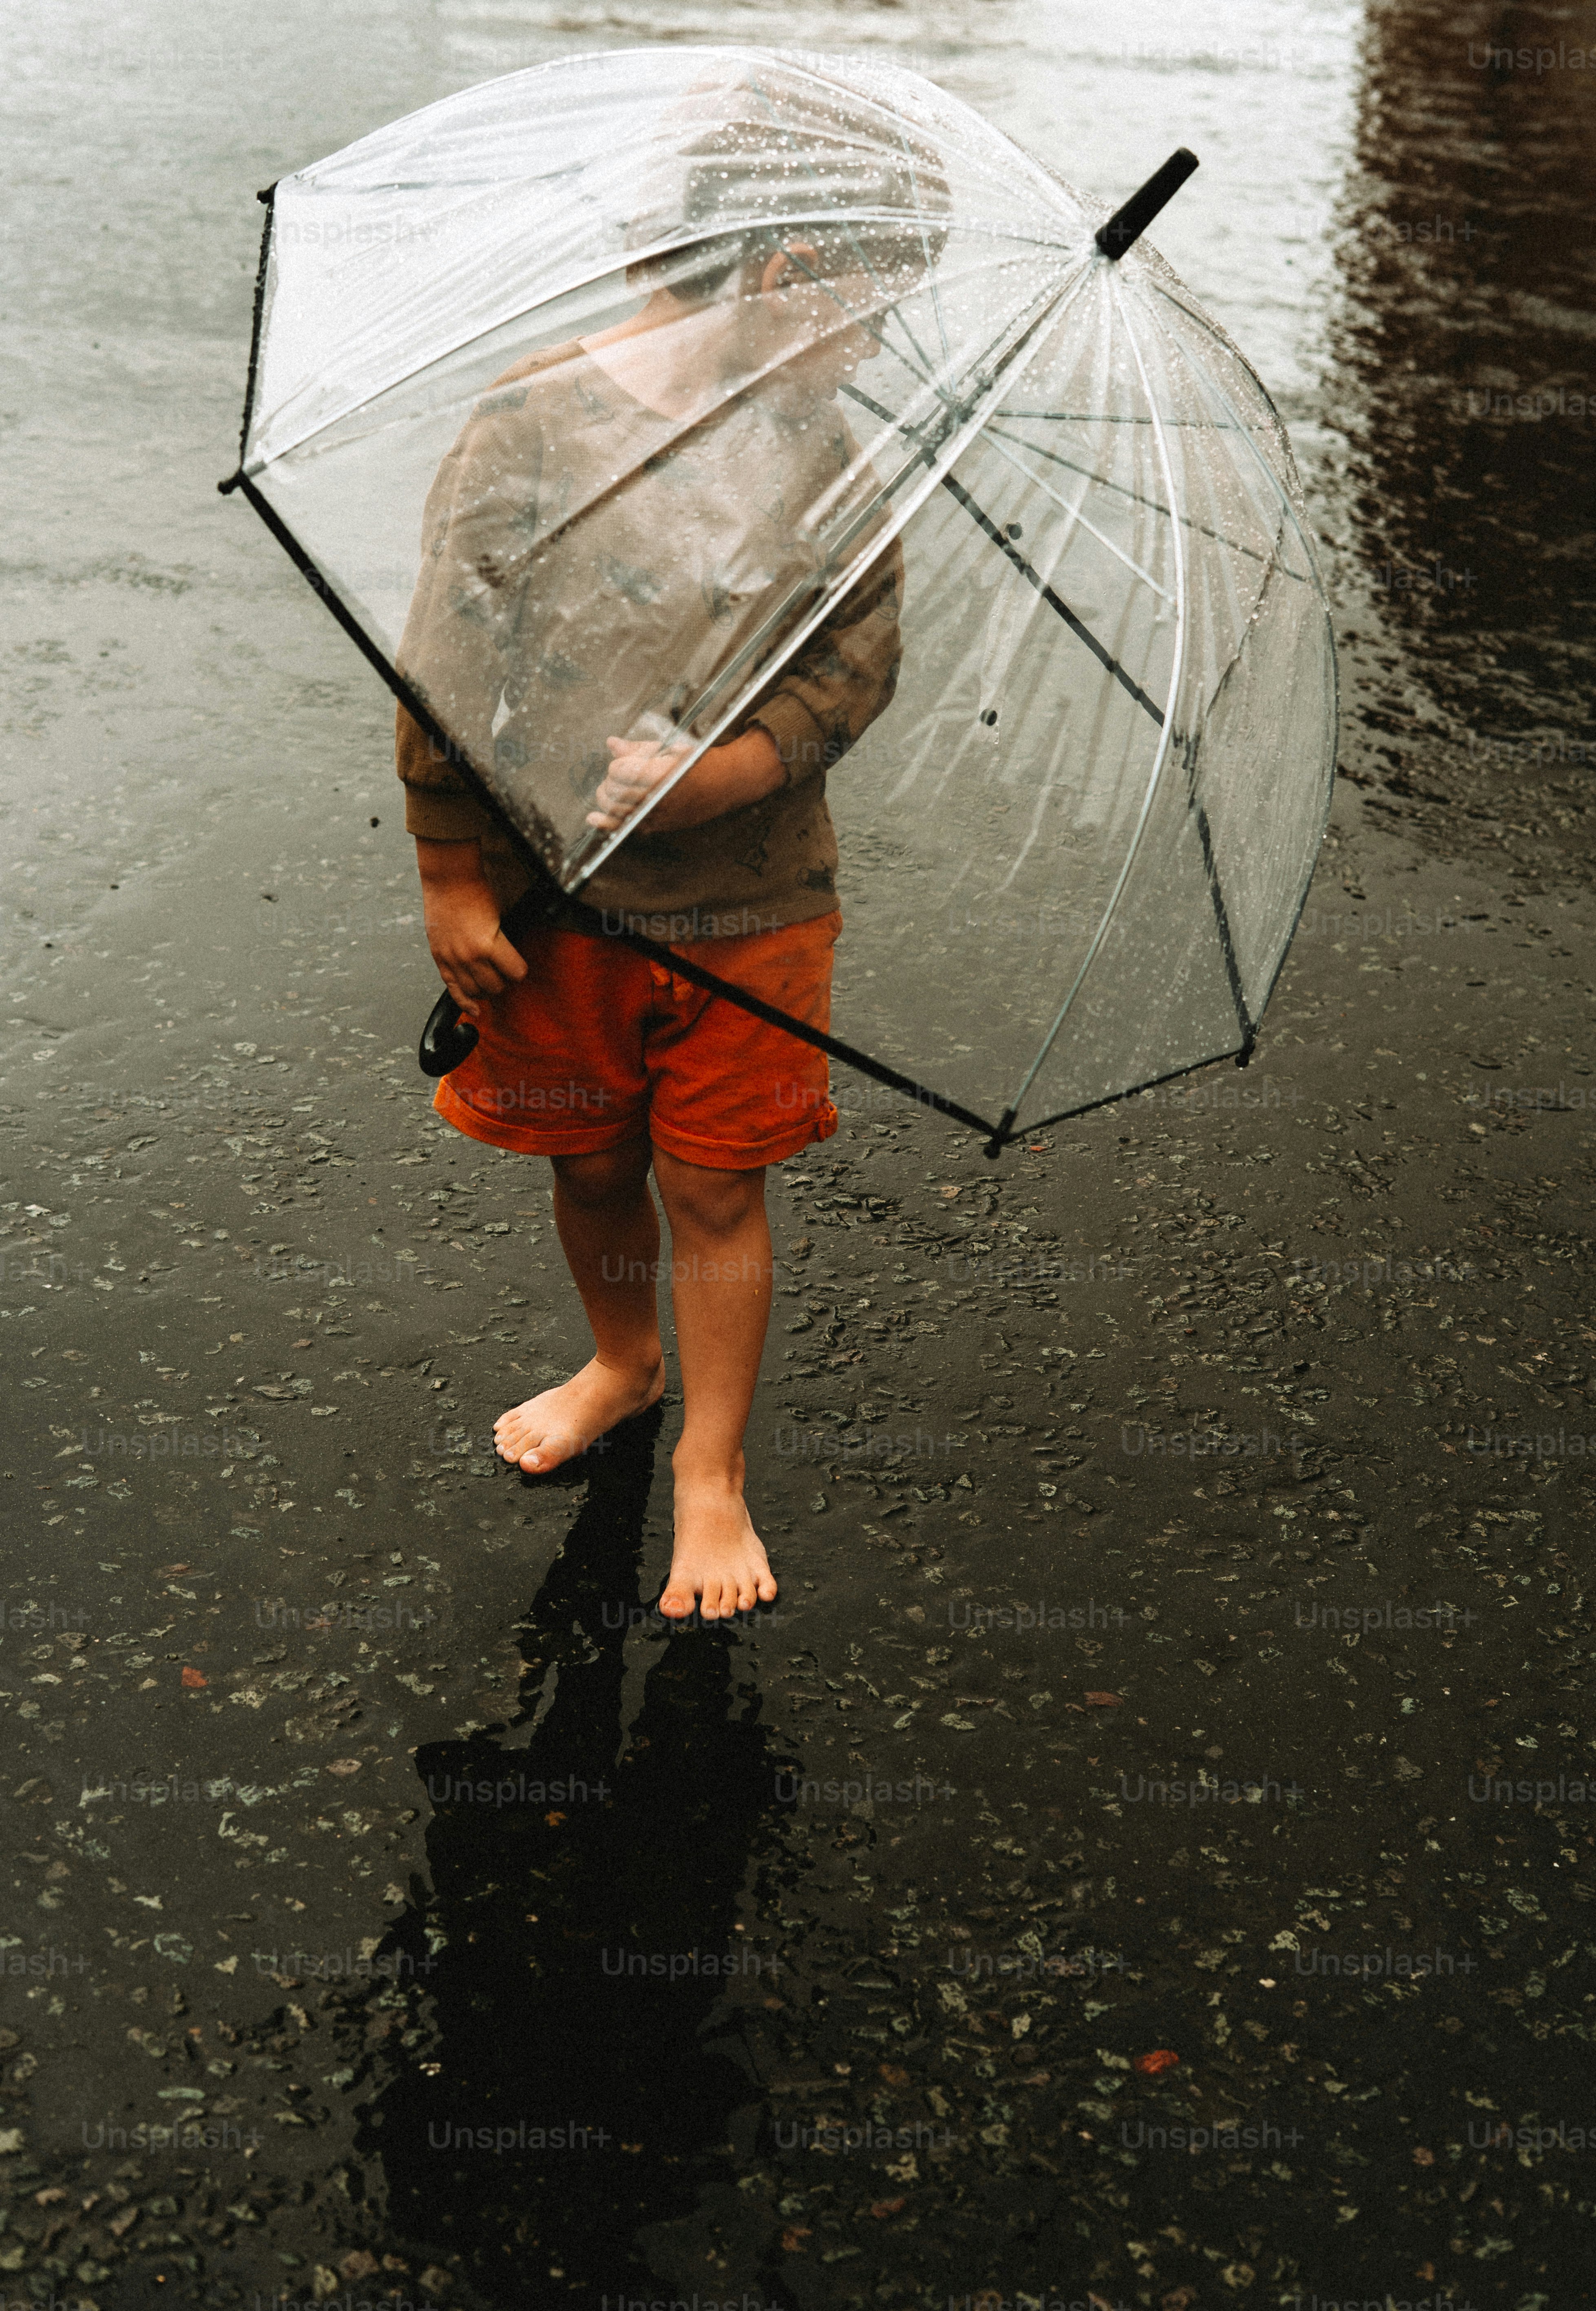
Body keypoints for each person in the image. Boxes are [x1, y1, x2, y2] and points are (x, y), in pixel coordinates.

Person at [395, 87, 938, 1619]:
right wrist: (450, 869)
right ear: (786, 269)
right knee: (587, 1154)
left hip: (750, 910)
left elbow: (854, 669)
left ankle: (711, 1468)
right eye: (872, 309)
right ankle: (624, 1361)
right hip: (554, 897)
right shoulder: (531, 422)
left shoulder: (829, 464)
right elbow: (448, 658)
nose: (880, 348)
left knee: (713, 1187)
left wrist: (736, 771)